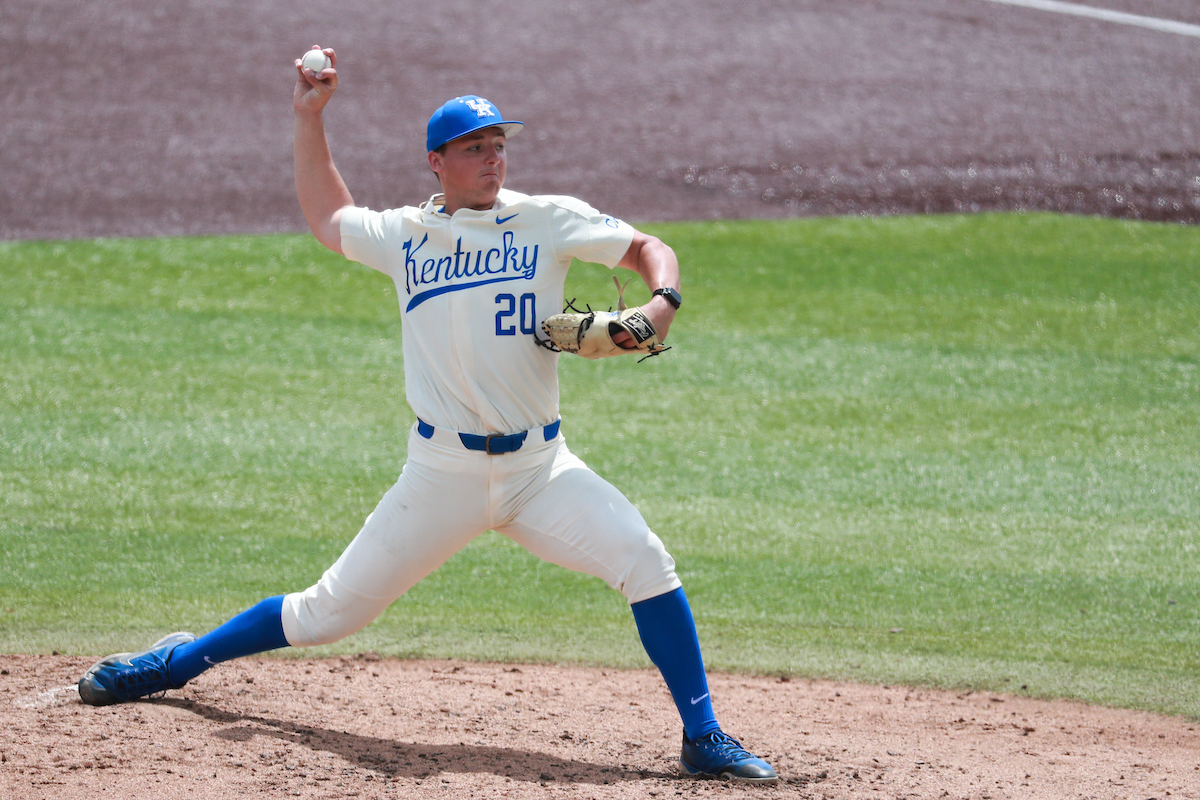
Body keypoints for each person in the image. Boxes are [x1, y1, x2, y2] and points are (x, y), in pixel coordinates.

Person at [77, 45, 778, 784]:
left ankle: (702, 736)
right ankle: (171, 665)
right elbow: (328, 216)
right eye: (475, 148)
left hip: (540, 470)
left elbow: (644, 247)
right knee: (325, 614)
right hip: (441, 473)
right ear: (436, 162)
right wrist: (308, 117)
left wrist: (661, 301)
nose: (492, 159)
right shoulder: (407, 235)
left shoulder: (548, 220)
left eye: (499, 146)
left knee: (647, 563)